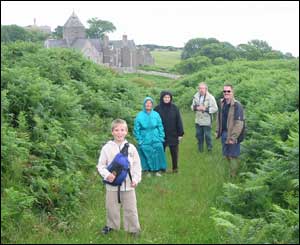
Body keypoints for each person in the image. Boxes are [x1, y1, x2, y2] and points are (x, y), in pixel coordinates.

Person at [97, 119, 142, 236]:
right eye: (116, 130)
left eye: (122, 130)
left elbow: (137, 166)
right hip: (112, 185)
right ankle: (111, 226)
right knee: (111, 207)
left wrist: (136, 179)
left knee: (131, 208)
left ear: (126, 132)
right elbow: (101, 166)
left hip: (129, 185)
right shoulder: (106, 148)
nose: (119, 133)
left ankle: (133, 229)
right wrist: (107, 175)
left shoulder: (131, 148)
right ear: (112, 132)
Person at [216, 84, 245, 177]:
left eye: (228, 91)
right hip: (224, 133)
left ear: (232, 92)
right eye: (224, 91)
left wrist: (233, 137)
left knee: (234, 155)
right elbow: (219, 117)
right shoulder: (222, 103)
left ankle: (234, 174)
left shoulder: (237, 105)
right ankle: (231, 169)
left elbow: (239, 123)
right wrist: (217, 130)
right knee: (226, 154)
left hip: (233, 134)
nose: (226, 93)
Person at [134, 96, 167, 176]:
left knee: (158, 148)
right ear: (144, 104)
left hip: (156, 137)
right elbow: (136, 129)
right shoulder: (139, 115)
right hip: (145, 138)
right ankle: (147, 170)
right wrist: (140, 140)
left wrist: (161, 137)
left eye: (150, 103)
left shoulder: (156, 114)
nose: (148, 105)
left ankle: (158, 170)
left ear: (152, 105)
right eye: (146, 103)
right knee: (145, 150)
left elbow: (160, 126)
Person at [154, 91, 184, 173]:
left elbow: (179, 121)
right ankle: (162, 169)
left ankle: (175, 168)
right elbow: (154, 122)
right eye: (165, 97)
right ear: (162, 98)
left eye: (168, 97)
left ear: (170, 98)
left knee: (174, 152)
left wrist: (180, 133)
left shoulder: (175, 108)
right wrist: (155, 133)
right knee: (161, 152)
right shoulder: (157, 109)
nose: (167, 99)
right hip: (161, 135)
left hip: (173, 134)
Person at [191, 82, 218, 152]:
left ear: (206, 89)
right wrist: (197, 108)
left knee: (207, 136)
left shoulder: (211, 97)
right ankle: (200, 149)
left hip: (207, 120)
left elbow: (215, 108)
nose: (201, 90)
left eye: (203, 88)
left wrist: (205, 109)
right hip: (198, 120)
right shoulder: (195, 96)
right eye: (199, 88)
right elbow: (192, 107)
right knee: (198, 135)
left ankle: (209, 149)